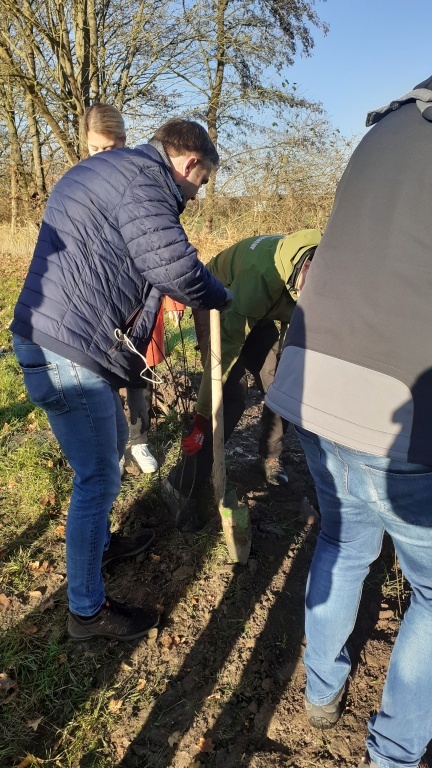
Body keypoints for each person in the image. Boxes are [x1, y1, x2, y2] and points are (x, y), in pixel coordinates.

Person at [11, 118, 232, 641]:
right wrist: (221, 295)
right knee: (98, 480)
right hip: (65, 350)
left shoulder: (114, 169)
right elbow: (174, 265)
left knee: (110, 445)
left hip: (56, 336)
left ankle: (101, 545)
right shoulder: (145, 180)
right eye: (200, 183)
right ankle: (87, 613)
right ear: (190, 163)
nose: (195, 195)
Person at [265, 76, 432, 768]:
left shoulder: (385, 128)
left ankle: (321, 694)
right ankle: (394, 753)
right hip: (400, 411)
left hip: (315, 388)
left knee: (342, 541)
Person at [163, 228, 321, 531]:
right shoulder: (260, 276)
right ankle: (180, 485)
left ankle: (270, 457)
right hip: (220, 298)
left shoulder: (326, 269)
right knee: (231, 395)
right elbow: (225, 353)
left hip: (264, 309)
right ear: (307, 268)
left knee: (280, 387)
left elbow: (298, 330)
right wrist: (201, 418)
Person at [84, 103, 185, 474]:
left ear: (124, 142)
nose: (101, 156)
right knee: (100, 379)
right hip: (96, 300)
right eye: (94, 149)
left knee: (137, 375)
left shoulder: (143, 182)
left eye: (109, 148)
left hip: (138, 301)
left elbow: (163, 247)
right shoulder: (82, 184)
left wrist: (173, 301)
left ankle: (139, 442)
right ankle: (109, 446)